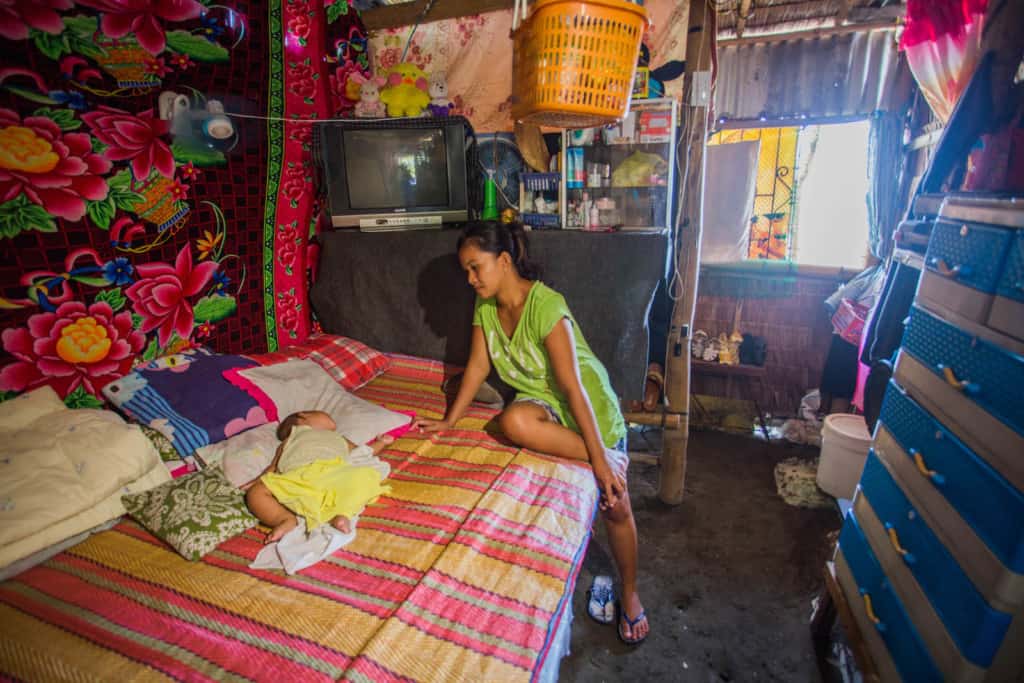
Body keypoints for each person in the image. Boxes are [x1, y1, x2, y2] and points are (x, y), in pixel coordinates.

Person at [413, 221, 650, 645]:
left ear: (503, 261)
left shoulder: (545, 305)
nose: (470, 279)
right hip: (543, 404)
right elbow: (479, 367)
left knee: (615, 503)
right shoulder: (485, 307)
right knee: (512, 421)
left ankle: (630, 594)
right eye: (465, 270)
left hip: (586, 406)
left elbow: (573, 388)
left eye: (475, 268)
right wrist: (450, 421)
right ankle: (600, 457)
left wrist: (598, 458)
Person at [244, 410, 393, 544]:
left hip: (334, 473)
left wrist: (381, 443)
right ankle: (285, 519)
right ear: (303, 417)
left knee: (363, 475)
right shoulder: (292, 437)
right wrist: (253, 483)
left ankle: (342, 514)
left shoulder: (338, 437)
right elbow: (273, 467)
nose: (330, 417)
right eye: (322, 413)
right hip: (299, 477)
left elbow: (362, 453)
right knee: (256, 492)